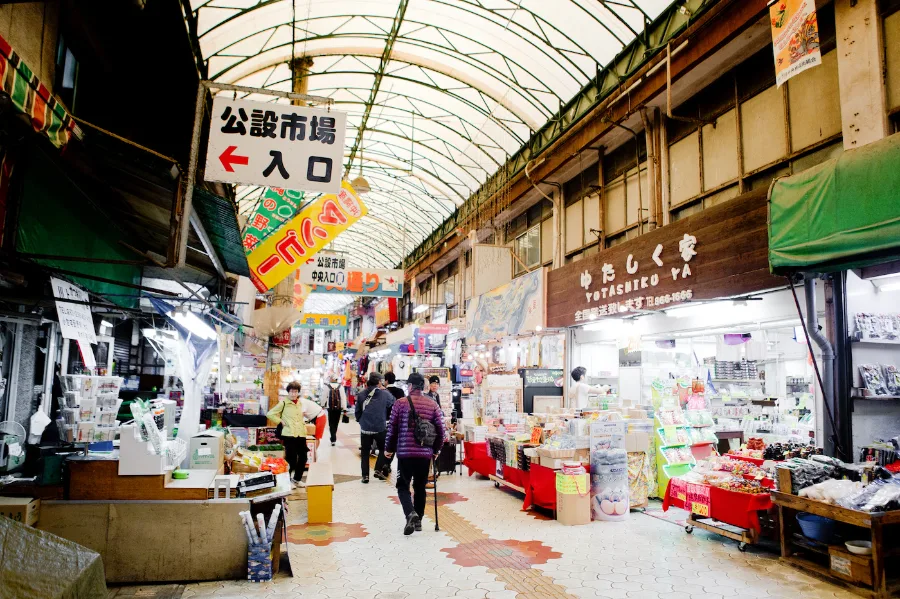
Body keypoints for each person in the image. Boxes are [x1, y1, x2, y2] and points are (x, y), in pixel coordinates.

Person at [385, 372, 445, 535]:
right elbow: (441, 430)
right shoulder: (433, 404)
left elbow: (392, 429)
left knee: (403, 486)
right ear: (424, 387)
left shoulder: (400, 404)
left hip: (405, 454)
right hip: (424, 454)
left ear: (410, 386)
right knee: (420, 487)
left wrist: (388, 449)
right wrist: (436, 450)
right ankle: (418, 521)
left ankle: (410, 514)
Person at [267, 382, 324, 488]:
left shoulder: (300, 403)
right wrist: (280, 421)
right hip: (289, 434)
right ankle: (287, 480)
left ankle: (297, 479)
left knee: (303, 457)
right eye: (292, 391)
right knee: (291, 459)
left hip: (300, 433)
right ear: (288, 392)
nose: (293, 394)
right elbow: (270, 414)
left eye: (296, 391)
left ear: (298, 392)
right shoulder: (283, 403)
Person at [355, 372, 394, 483]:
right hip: (379, 427)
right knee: (384, 448)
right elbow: (392, 402)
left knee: (365, 452)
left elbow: (357, 411)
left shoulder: (361, 394)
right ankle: (378, 469)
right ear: (378, 382)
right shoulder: (384, 394)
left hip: (365, 428)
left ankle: (365, 476)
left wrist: (360, 420)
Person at [324, 376, 344, 446]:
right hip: (338, 408)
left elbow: (324, 396)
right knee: (336, 423)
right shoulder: (341, 387)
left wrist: (322, 405)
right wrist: (344, 408)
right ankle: (334, 435)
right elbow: (343, 398)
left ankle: (333, 438)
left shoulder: (327, 387)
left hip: (330, 408)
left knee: (331, 423)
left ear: (332, 379)